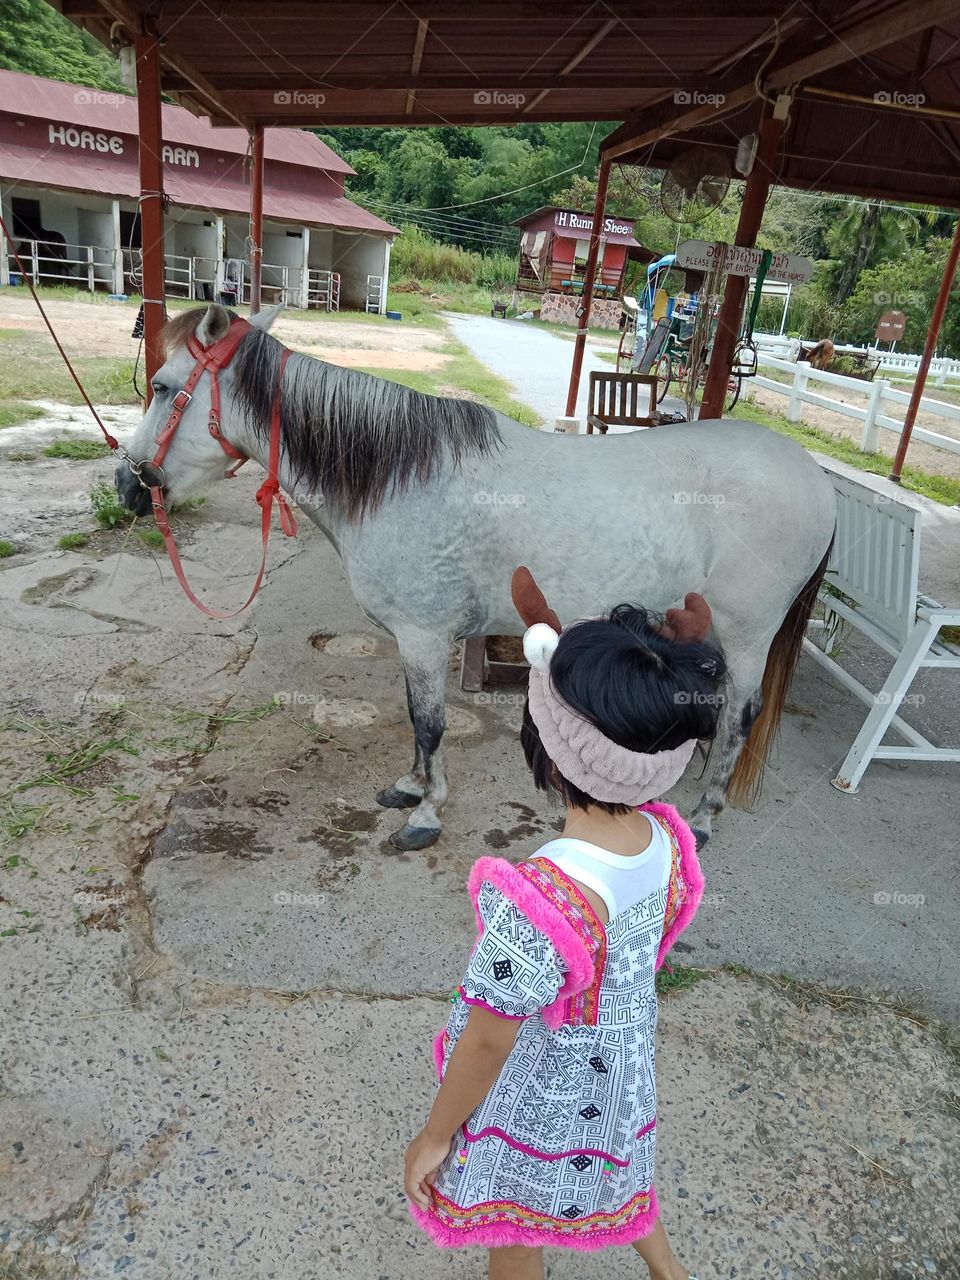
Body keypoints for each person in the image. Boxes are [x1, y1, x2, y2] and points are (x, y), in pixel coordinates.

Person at [404, 568, 726, 1280]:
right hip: (622, 1078)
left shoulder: (540, 899)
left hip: (544, 1098)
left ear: (549, 755)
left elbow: (490, 1039)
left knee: (517, 1225)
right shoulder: (668, 842)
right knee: (624, 1168)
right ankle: (670, 1271)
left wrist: (435, 1135)